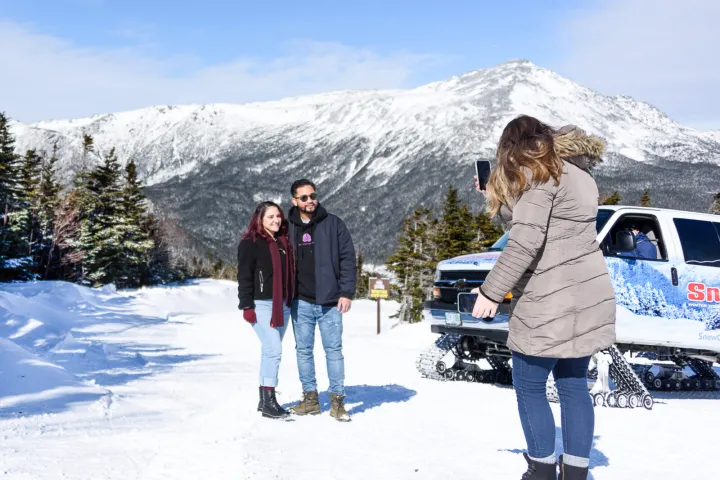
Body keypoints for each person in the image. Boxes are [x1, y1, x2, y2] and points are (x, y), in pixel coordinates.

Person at [471, 116, 616, 480]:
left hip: (550, 297)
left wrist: (491, 290)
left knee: (530, 386)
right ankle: (575, 473)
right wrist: (497, 195)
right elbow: (538, 223)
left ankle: (540, 471)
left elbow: (525, 240)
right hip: (586, 294)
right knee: (573, 388)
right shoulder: (578, 174)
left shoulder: (540, 175)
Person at [285, 179, 357, 422]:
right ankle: (310, 400)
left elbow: (348, 258)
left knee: (333, 352)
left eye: (312, 196)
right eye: (303, 198)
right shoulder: (287, 227)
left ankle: (337, 402)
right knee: (303, 351)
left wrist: (346, 292)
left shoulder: (333, 223)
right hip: (300, 302)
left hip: (330, 302)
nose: (309, 201)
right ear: (294, 201)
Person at [237, 201, 296, 419]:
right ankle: (270, 400)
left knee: (269, 351)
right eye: (270, 216)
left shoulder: (283, 242)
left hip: (282, 305)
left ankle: (264, 402)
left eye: (278, 216)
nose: (276, 220)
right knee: (274, 350)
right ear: (260, 219)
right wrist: (246, 305)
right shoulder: (250, 243)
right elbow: (243, 276)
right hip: (262, 305)